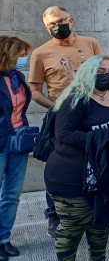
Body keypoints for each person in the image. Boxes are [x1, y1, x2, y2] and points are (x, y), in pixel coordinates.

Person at [29, 6, 103, 236]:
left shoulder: (90, 43)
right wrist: (58, 109)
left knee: (93, 160)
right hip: (62, 118)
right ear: (46, 27)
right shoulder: (40, 53)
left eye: (61, 20)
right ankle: (54, 214)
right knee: (59, 164)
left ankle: (92, 211)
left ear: (71, 20)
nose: (57, 26)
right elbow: (35, 90)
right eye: (52, 23)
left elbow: (103, 72)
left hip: (91, 113)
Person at [45, 55, 109, 261]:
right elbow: (65, 134)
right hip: (71, 177)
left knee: (100, 227)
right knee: (72, 230)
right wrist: (107, 137)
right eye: (101, 72)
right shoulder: (76, 98)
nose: (107, 75)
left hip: (105, 176)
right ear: (88, 73)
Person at [0, 36, 32, 260]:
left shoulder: (18, 77)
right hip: (1, 142)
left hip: (18, 142)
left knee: (11, 194)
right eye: (20, 54)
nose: (24, 58)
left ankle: (4, 238)